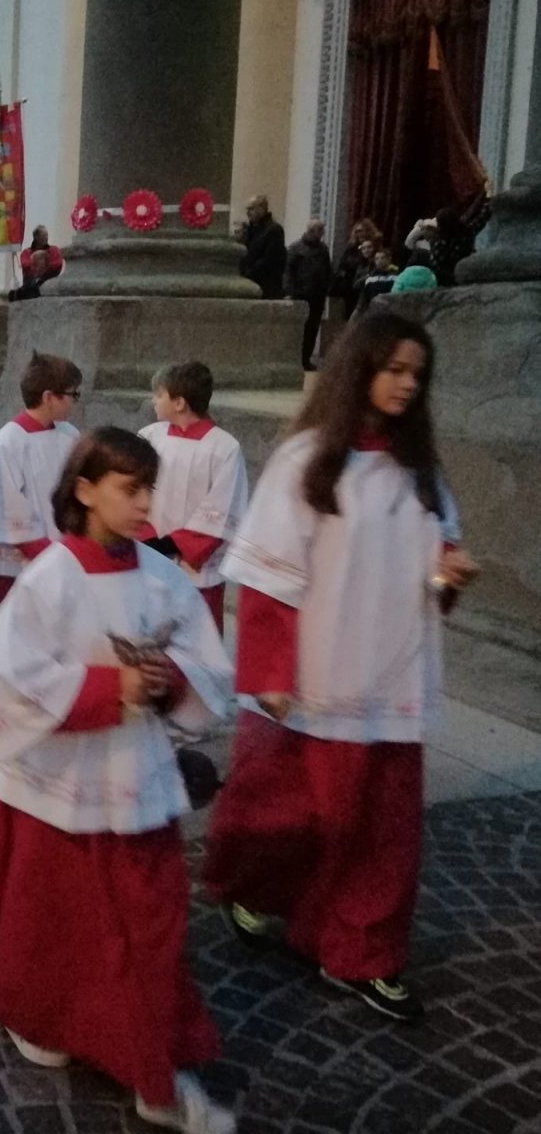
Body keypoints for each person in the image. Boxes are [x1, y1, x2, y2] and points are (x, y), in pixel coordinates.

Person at [203, 312, 479, 1023]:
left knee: (383, 826)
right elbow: (266, 582)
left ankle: (361, 951)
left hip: (395, 676)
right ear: (358, 370)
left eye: (415, 374)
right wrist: (268, 672)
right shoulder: (305, 464)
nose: (404, 384)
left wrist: (448, 575)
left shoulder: (421, 473)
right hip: (317, 676)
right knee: (303, 814)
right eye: (392, 369)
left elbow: (434, 571)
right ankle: (254, 888)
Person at [0, 428, 235, 1134]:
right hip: (60, 779)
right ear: (84, 490)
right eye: (129, 488)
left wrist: (168, 678)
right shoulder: (49, 577)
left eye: (149, 487)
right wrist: (107, 686)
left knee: (148, 920)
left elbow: (206, 662)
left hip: (135, 775)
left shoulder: (160, 573)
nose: (145, 502)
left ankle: (149, 1058)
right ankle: (44, 1015)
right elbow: (8, 682)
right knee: (53, 911)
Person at [138, 362, 248, 635]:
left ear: (179, 403)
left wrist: (174, 545)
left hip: (196, 571)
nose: (153, 400)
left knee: (197, 647)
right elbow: (133, 488)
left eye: (159, 394)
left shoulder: (224, 448)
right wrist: (146, 538)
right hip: (147, 557)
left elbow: (223, 507)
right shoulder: (149, 437)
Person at [0, 352, 81, 606]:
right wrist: (50, 556)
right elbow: (9, 507)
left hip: (64, 554)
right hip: (20, 566)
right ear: (49, 397)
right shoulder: (7, 443)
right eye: (73, 395)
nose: (75, 402)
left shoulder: (70, 434)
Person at [286, 219, 334, 371]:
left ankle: (305, 359)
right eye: (319, 230)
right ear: (311, 231)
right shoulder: (295, 248)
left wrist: (327, 287)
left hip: (317, 296)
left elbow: (327, 270)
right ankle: (294, 358)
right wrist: (288, 291)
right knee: (298, 329)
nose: (321, 234)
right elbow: (288, 272)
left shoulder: (323, 250)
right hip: (300, 295)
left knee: (312, 329)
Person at [235, 195, 286, 299]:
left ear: (262, 208)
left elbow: (270, 259)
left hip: (266, 285)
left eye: (251, 208)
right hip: (248, 283)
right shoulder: (250, 230)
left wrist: (248, 274)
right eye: (247, 209)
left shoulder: (274, 230)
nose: (248, 212)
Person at [335, 218, 382, 318]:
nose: (358, 234)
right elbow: (342, 264)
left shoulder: (375, 246)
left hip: (368, 283)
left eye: (361, 231)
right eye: (356, 231)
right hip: (351, 285)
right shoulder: (352, 247)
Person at [13, 226, 64, 301]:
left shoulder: (54, 250)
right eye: (44, 235)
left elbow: (58, 264)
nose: (46, 238)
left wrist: (45, 268)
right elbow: (26, 265)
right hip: (31, 285)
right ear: (36, 237)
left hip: (50, 283)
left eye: (47, 235)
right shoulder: (27, 252)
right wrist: (37, 268)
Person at [353, 247, 398, 315]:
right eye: (377, 258)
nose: (379, 261)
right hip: (373, 311)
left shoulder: (396, 275)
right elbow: (357, 288)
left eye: (382, 258)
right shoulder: (370, 278)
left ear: (389, 259)